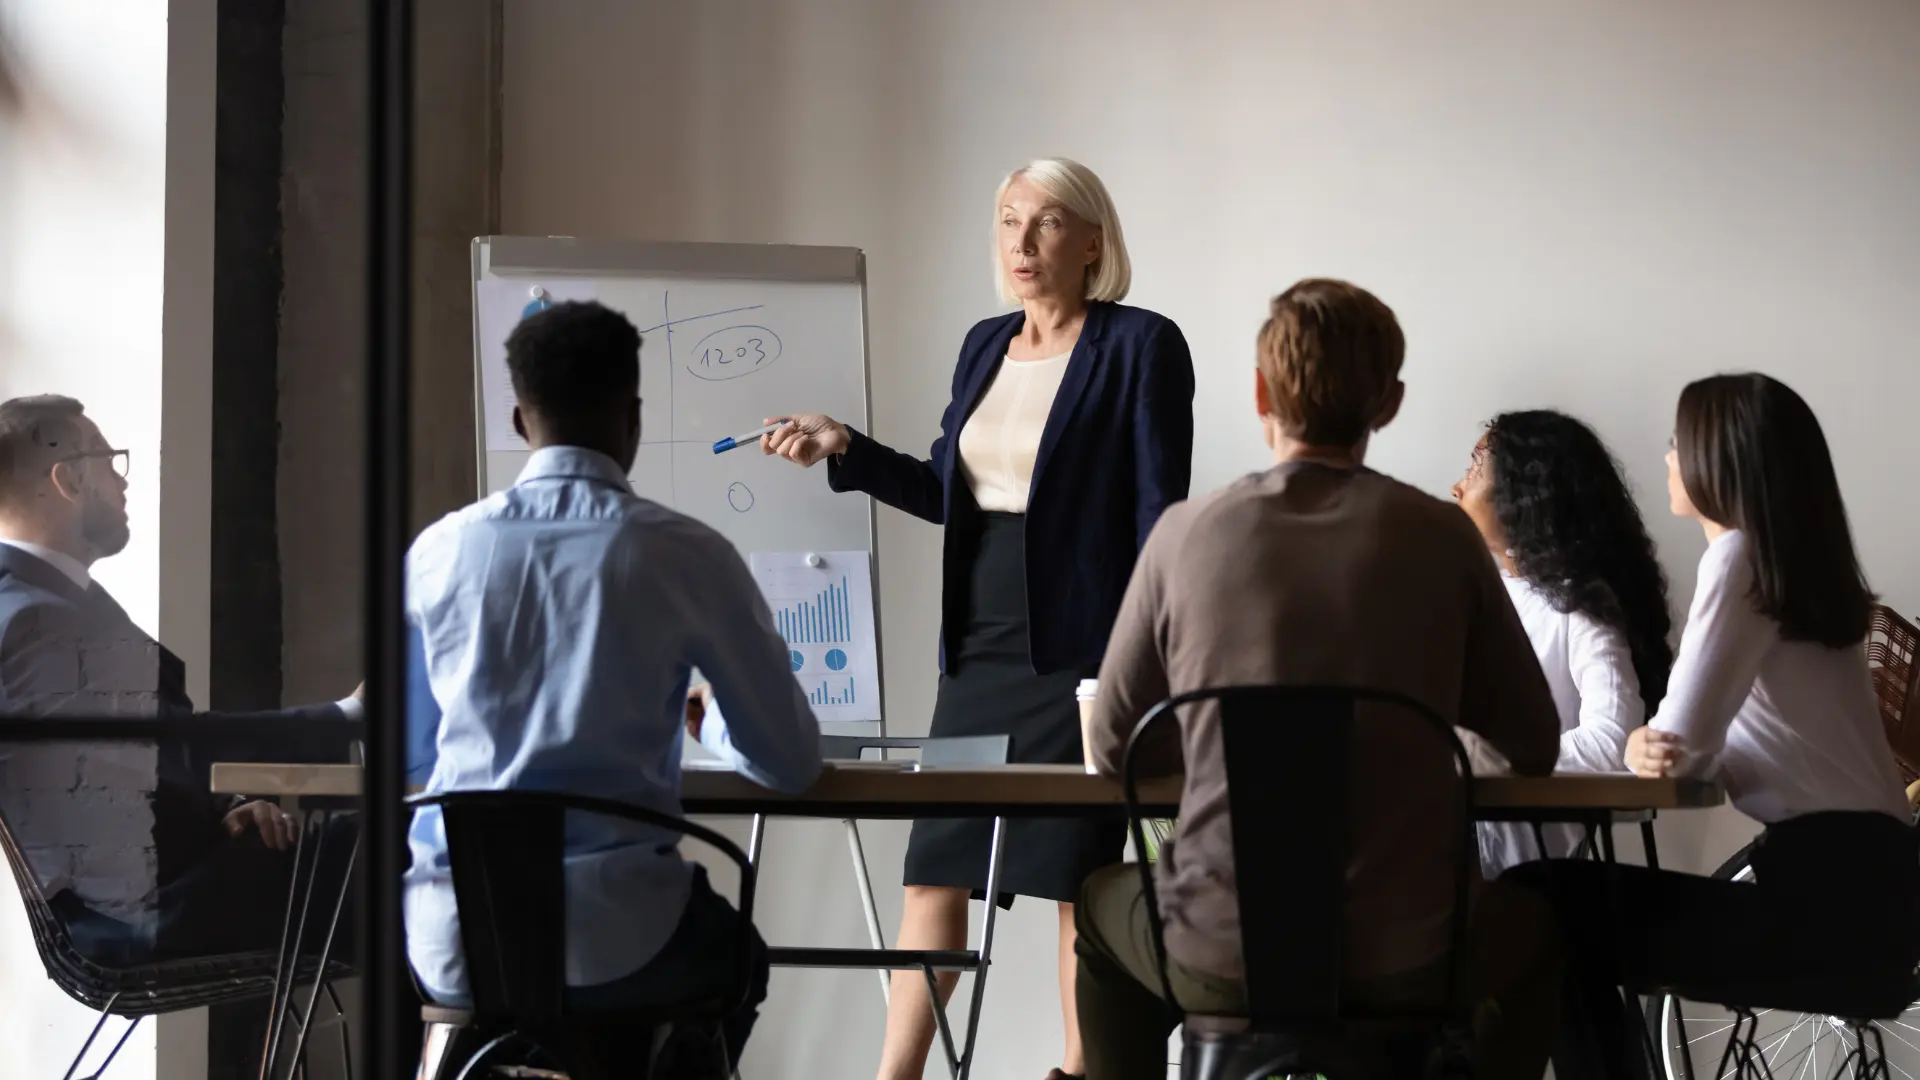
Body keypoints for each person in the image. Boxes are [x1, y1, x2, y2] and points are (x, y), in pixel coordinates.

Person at [761, 157, 1194, 1080]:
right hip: (978, 647)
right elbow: (949, 491)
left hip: (1087, 651)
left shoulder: (1142, 344)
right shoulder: (983, 344)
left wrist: (1148, 658)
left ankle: (1083, 1072)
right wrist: (849, 447)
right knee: (935, 865)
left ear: (1092, 242)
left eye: (1043, 224)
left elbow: (1163, 514)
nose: (1021, 244)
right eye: (1006, 222)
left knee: (1081, 883)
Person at [1077, 279, 1564, 1080]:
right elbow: (1534, 745)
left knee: (1101, 909)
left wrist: (1212, 750)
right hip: (1415, 954)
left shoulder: (1183, 534)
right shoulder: (1444, 539)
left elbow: (1111, 748)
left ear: (1262, 390)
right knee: (1540, 929)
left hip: (1218, 952)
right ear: (1391, 402)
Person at [402, 300, 821, 1069]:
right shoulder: (687, 555)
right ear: (632, 419)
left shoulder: (437, 553)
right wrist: (711, 726)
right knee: (737, 960)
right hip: (622, 939)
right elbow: (790, 763)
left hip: (456, 938)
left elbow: (405, 754)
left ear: (519, 421)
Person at [1498, 373, 1920, 1080]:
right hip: (1874, 899)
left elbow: (1677, 752)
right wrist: (1679, 748)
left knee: (1542, 899)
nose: (1666, 456)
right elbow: (1722, 752)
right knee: (1557, 904)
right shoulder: (1797, 570)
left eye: (1676, 442)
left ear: (1715, 458)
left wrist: (1645, 742)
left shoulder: (1737, 559)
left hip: (1826, 903)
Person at [0, 393, 360, 963]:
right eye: (108, 460)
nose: (123, 482)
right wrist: (344, 719)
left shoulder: (41, 599)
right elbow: (163, 742)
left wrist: (229, 807)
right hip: (146, 910)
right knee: (425, 849)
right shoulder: (30, 618)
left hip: (159, 883)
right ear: (67, 479)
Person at [1450, 410, 1674, 874]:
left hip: (1505, 857)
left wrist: (1482, 762)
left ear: (1523, 493)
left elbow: (1612, 740)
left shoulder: (1577, 605)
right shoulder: (1468, 593)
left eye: (1474, 469)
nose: (1457, 487)